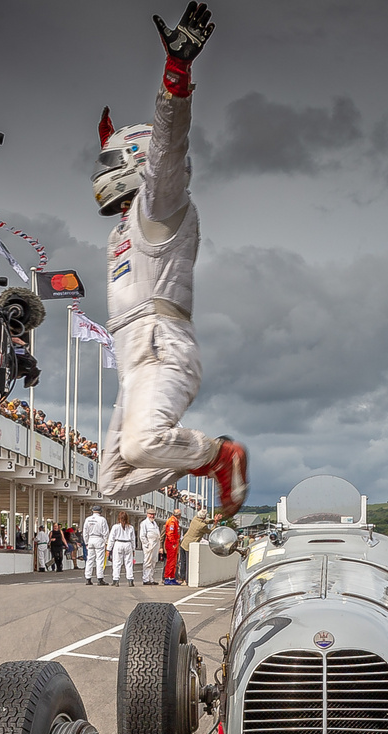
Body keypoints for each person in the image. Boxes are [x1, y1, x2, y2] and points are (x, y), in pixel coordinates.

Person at [92, 3, 248, 519]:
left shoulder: (158, 208)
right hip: (134, 360)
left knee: (139, 448)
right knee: (113, 483)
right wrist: (110, 138)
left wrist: (175, 80)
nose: (101, 172)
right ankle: (196, 455)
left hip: (162, 346)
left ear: (135, 165)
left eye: (110, 161)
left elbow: (167, 154)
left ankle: (220, 456)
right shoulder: (125, 227)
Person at [180, 506, 209, 582]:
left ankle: (182, 578)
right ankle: (187, 579)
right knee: (189, 563)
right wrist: (215, 524)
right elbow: (210, 531)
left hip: (183, 542)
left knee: (183, 562)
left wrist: (213, 521)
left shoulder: (194, 519)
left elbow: (205, 521)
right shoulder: (202, 526)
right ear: (204, 517)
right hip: (190, 546)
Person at [108, 510, 137, 585]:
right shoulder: (130, 527)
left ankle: (116, 580)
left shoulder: (115, 527)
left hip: (118, 543)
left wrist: (108, 549)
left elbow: (111, 538)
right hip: (128, 543)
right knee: (129, 563)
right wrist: (133, 549)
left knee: (117, 563)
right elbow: (133, 539)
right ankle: (130, 580)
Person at [83, 506, 109, 585]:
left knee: (89, 560)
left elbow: (85, 532)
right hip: (99, 539)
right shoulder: (102, 519)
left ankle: (88, 578)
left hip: (90, 539)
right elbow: (106, 532)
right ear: (100, 511)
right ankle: (100, 578)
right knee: (99, 560)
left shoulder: (88, 519)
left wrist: (86, 542)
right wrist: (106, 542)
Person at [139, 507, 163, 584]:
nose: (152, 516)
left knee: (153, 561)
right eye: (151, 514)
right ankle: (145, 579)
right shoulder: (144, 523)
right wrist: (146, 544)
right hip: (149, 544)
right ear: (147, 514)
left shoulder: (154, 523)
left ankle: (151, 578)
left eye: (153, 514)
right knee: (147, 561)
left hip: (155, 544)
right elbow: (142, 535)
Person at [162, 510, 181, 585]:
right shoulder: (172, 522)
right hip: (171, 544)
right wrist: (173, 543)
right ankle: (167, 577)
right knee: (170, 561)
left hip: (174, 543)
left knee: (174, 562)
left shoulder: (175, 521)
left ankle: (172, 577)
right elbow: (170, 533)